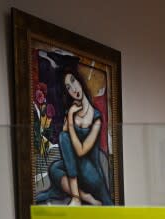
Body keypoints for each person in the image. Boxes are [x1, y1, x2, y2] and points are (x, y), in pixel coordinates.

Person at [35, 68, 113, 206]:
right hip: (76, 171)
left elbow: (81, 151)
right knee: (54, 169)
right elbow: (66, 149)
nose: (73, 89)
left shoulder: (96, 118)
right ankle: (86, 197)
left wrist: (70, 119)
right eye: (68, 87)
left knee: (65, 137)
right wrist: (71, 116)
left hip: (90, 171)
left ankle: (76, 198)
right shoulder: (72, 111)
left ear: (80, 81)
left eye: (73, 82)